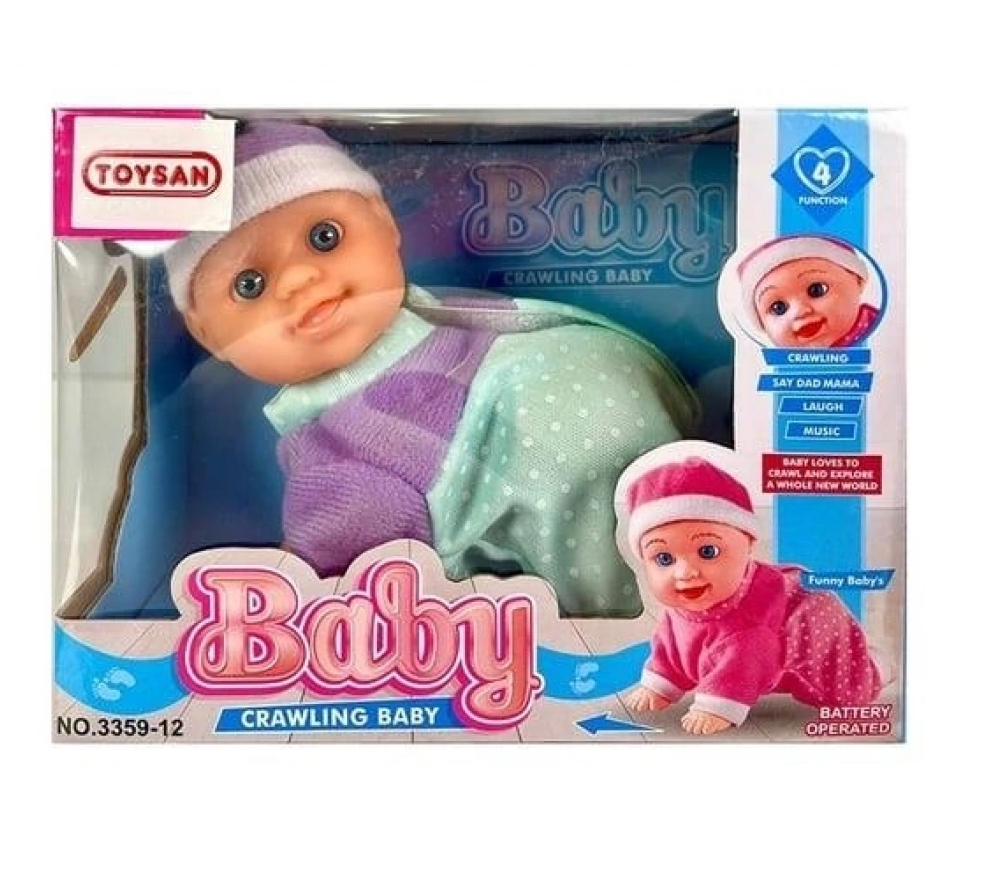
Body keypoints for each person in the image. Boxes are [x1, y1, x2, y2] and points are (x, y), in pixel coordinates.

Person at [164, 120, 698, 616]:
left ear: (384, 222)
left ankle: (633, 615)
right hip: (629, 406)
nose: (300, 279)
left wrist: (285, 573)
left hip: (586, 485)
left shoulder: (342, 451)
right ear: (207, 334)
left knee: (614, 586)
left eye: (324, 237)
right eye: (250, 285)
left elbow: (325, 563)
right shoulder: (447, 324)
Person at [616, 447, 888, 732]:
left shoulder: (751, 623)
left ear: (748, 545)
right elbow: (672, 647)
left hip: (812, 628)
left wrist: (717, 706)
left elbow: (742, 663)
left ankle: (876, 666)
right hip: (765, 650)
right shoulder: (681, 605)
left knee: (843, 694)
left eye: (708, 552)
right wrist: (661, 684)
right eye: (664, 559)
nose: (684, 573)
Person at [739, 235, 879, 348]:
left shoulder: (881, 331)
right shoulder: (777, 367)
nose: (800, 311)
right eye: (778, 308)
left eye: (817, 290)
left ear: (857, 280)